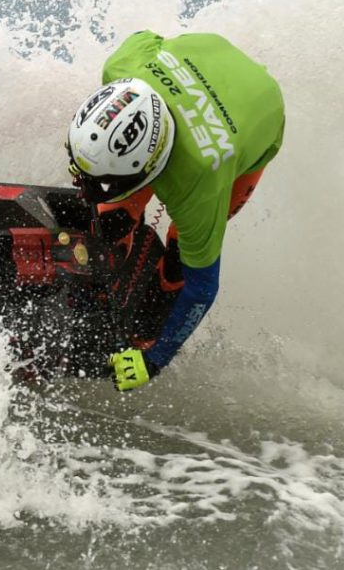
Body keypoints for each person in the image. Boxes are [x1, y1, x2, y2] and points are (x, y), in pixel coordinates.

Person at [66, 30, 285, 391]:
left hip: (260, 116)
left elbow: (202, 289)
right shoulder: (121, 67)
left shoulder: (200, 183)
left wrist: (154, 361)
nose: (90, 188)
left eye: (105, 180)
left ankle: (145, 330)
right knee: (111, 218)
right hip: (205, 59)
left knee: (180, 258)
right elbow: (147, 37)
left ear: (152, 169)